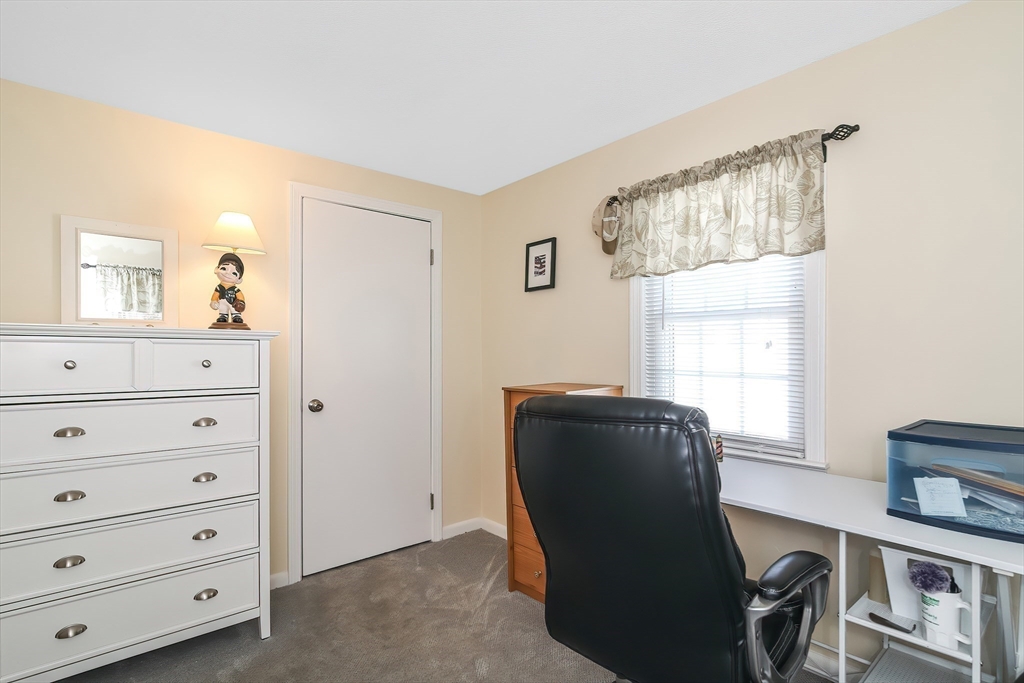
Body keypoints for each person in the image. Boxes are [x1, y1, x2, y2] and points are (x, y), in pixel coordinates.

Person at [210, 253, 246, 324]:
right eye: (224, 268)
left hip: (233, 303)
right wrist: (214, 302)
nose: (227, 273)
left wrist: (241, 302)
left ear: (239, 280)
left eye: (234, 273)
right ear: (216, 270)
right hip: (222, 302)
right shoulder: (219, 288)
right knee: (223, 309)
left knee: (234, 310)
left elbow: (240, 296)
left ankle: (236, 316)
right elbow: (215, 296)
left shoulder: (235, 289)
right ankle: (223, 316)